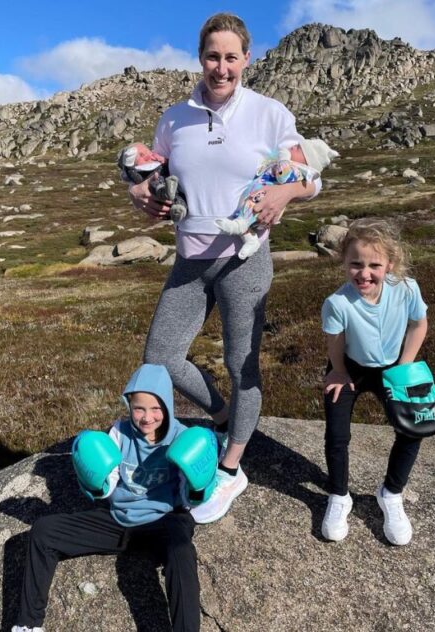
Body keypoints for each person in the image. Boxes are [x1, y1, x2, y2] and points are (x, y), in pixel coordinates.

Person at [127, 13, 321, 524]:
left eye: (231, 57)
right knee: (161, 356)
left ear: (246, 60)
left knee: (242, 364)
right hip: (191, 258)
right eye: (213, 56)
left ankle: (231, 467)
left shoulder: (269, 113)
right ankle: (221, 416)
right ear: (201, 58)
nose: (222, 67)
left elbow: (306, 176)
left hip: (245, 258)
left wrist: (284, 192)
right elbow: (152, 172)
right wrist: (139, 193)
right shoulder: (174, 118)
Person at [13, 364, 217, 632]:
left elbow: (189, 499)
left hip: (164, 520)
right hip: (119, 520)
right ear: (129, 406)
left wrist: (196, 487)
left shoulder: (182, 438)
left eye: (156, 408)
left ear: (167, 406)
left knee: (181, 550)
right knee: (43, 531)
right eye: (139, 408)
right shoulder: (119, 433)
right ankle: (27, 626)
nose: (147, 418)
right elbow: (107, 485)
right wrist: (95, 483)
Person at [319, 219, 429, 546]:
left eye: (374, 265)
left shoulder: (406, 288)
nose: (364, 273)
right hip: (350, 366)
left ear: (389, 265)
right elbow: (335, 342)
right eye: (355, 264)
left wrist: (405, 368)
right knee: (337, 434)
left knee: (412, 428)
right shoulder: (336, 303)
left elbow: (419, 324)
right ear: (344, 262)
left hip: (393, 365)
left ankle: (391, 493)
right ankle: (339, 496)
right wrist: (338, 371)